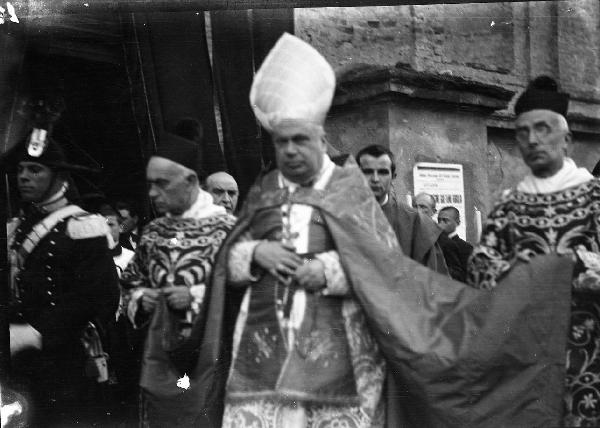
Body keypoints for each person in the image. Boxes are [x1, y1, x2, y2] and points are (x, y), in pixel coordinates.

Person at [467, 75, 600, 426]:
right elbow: (480, 265)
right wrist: (532, 274)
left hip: (591, 342)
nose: (532, 140)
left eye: (542, 129)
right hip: (528, 349)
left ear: (567, 139)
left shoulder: (594, 196)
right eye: (523, 132)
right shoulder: (510, 204)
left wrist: (575, 271)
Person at [4, 127, 120, 426]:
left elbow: (100, 298)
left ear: (61, 179)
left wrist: (37, 333)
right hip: (23, 360)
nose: (24, 177)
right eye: (20, 170)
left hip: (66, 360)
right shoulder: (20, 227)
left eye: (35, 170)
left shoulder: (84, 226)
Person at [120, 132, 236, 427]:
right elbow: (130, 281)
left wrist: (196, 296)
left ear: (191, 182)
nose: (152, 194)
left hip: (217, 359)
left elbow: (250, 292)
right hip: (165, 362)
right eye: (150, 184)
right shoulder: (153, 233)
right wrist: (139, 299)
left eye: (162, 183)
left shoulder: (230, 230)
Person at [356, 144, 445, 271]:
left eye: (382, 172)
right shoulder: (339, 215)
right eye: (368, 172)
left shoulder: (417, 223)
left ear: (393, 176)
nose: (375, 179)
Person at [412, 191, 464, 280]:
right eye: (415, 206)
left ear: (433, 212)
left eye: (423, 207)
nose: (418, 210)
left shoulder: (445, 242)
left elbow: (457, 276)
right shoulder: (407, 234)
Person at [437, 206, 472, 282]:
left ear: (457, 222)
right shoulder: (435, 242)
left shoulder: (465, 247)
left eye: (445, 220)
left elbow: (464, 275)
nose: (440, 224)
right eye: (439, 220)